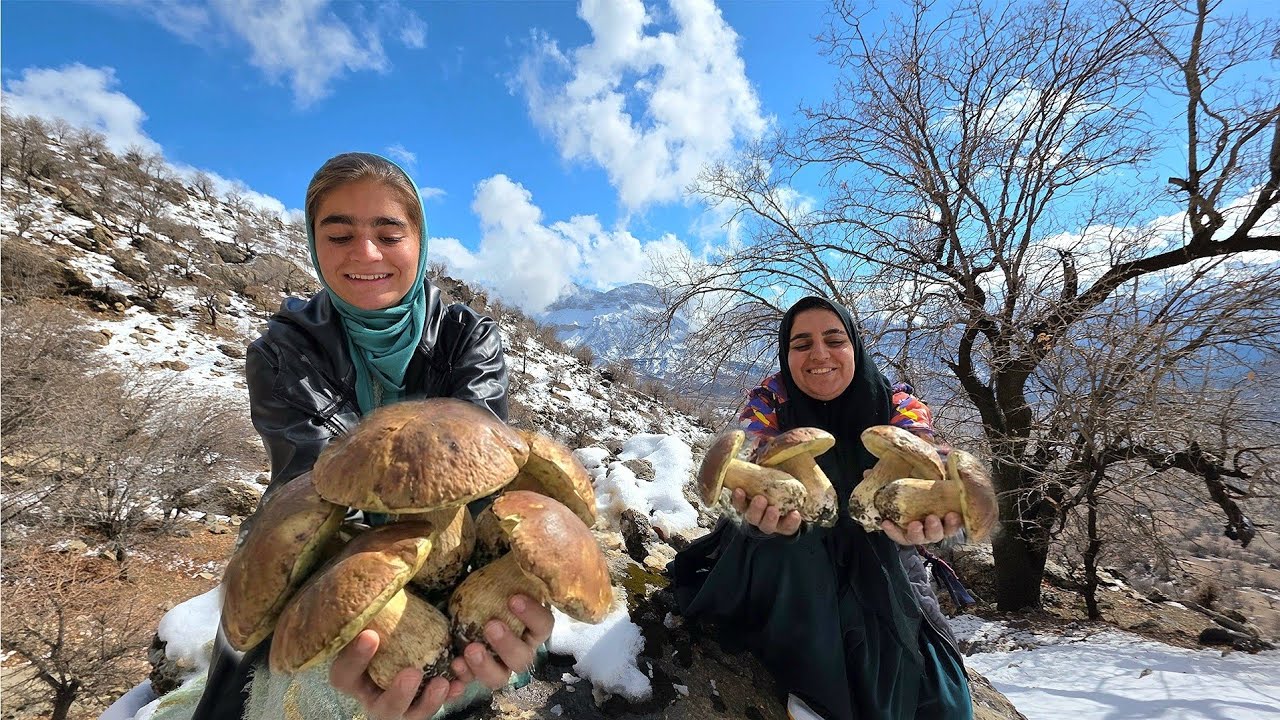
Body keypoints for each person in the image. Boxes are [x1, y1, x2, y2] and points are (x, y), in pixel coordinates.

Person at [190, 152, 551, 720]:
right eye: (339, 235)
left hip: (448, 543)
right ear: (314, 245)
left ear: (419, 241)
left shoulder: (467, 337)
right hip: (328, 538)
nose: (366, 254)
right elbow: (312, 489)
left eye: (389, 232)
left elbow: (482, 469)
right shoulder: (282, 354)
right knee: (263, 673)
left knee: (485, 646)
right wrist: (364, 596)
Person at [670, 296, 974, 720]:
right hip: (780, 542)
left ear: (855, 346)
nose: (819, 354)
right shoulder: (768, 401)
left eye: (834, 339)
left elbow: (929, 461)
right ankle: (815, 696)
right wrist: (751, 512)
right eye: (801, 343)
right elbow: (748, 462)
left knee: (940, 697)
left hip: (878, 548)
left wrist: (927, 519)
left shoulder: (899, 403)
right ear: (786, 353)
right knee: (798, 547)